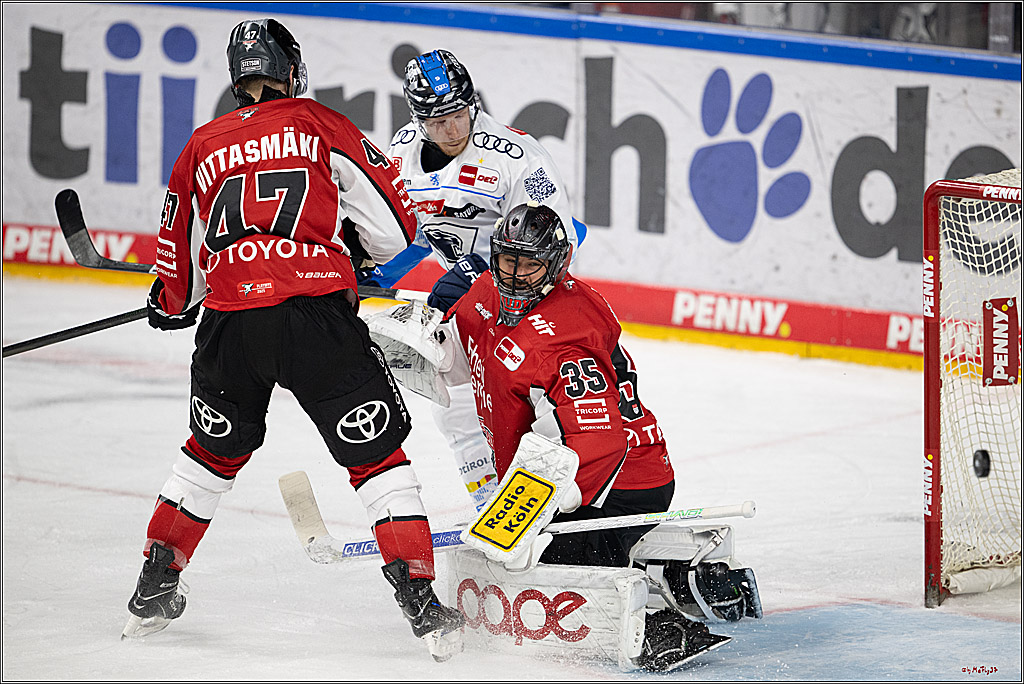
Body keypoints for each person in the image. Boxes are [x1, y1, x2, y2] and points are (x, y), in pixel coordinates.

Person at [123, 18, 464, 661]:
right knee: (376, 458)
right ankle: (422, 605)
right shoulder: (323, 125)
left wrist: (168, 305)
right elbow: (394, 232)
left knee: (208, 456)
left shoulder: (200, 144)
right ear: (291, 70)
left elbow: (179, 267)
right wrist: (354, 252)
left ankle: (153, 585)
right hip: (317, 319)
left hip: (233, 326)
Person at [434, 202, 735, 668]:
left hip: (622, 481)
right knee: (513, 551)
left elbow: (599, 444)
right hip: (566, 465)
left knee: (540, 568)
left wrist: (539, 514)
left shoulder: (567, 334)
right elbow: (460, 349)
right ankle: (680, 572)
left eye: (529, 265)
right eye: (507, 260)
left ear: (555, 265)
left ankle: (659, 621)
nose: (513, 276)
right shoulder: (486, 292)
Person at [364, 49, 587, 511]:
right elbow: (415, 235)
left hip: (534, 293)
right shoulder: (401, 153)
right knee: (452, 397)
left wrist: (480, 277)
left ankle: (569, 491)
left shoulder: (516, 156)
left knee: (535, 396)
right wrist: (375, 274)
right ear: (418, 117)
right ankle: (491, 498)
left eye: (460, 111)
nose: (454, 127)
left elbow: (557, 240)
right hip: (472, 299)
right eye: (438, 118)